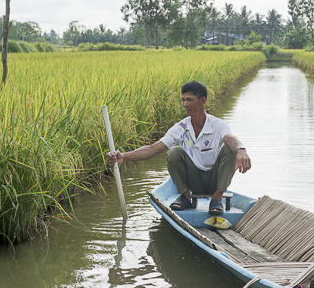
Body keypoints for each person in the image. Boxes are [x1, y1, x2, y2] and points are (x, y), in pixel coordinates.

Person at [107, 80, 251, 214]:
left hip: (215, 180)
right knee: (174, 152)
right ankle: (185, 197)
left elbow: (230, 138)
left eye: (189, 100)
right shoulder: (181, 128)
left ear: (203, 101)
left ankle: (216, 198)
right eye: (183, 100)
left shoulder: (217, 124)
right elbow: (153, 149)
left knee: (230, 149)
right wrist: (124, 156)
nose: (185, 104)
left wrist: (241, 150)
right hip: (193, 181)